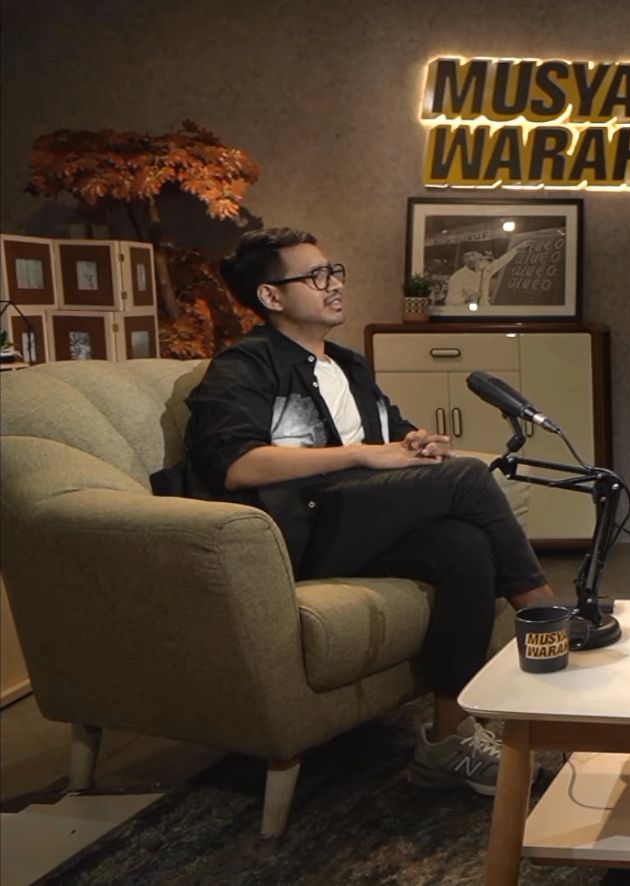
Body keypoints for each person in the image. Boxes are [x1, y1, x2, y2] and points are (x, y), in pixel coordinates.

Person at [153, 227, 558, 796]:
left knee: (463, 546)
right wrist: (363, 455)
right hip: (296, 528)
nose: (334, 284)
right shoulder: (245, 365)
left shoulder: (347, 364)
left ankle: (447, 740)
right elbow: (236, 466)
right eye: (315, 276)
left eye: (334, 271)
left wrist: (417, 442)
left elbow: (392, 433)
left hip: (356, 519)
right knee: (469, 476)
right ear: (271, 296)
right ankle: (549, 620)